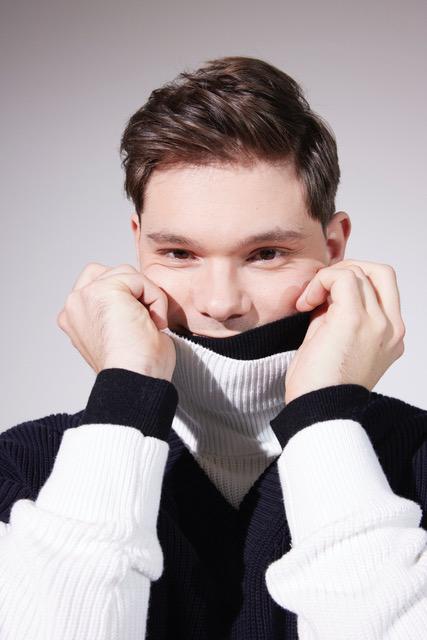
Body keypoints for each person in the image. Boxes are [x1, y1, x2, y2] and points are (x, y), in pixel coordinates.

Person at [0, 56, 426, 640]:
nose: (221, 303)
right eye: (179, 254)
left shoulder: (417, 458)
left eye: (266, 254)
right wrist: (122, 404)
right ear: (139, 244)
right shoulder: (22, 469)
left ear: (333, 248)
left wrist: (325, 419)